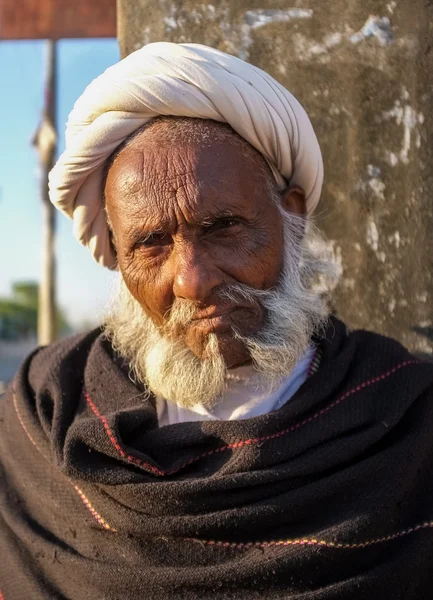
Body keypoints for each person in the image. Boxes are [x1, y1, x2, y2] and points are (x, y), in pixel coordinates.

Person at [1, 42, 432, 600]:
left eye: (224, 226)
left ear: (291, 216)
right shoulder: (40, 415)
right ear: (115, 255)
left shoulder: (408, 418)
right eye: (152, 244)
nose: (192, 281)